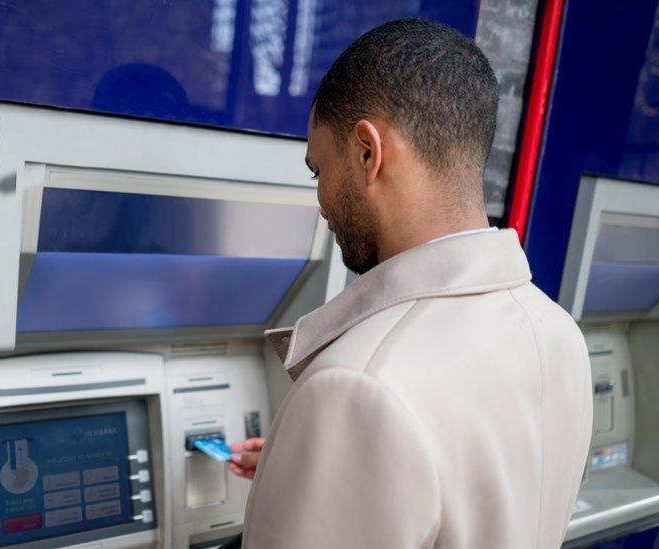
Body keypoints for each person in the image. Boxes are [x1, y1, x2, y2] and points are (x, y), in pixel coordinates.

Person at [227, 18, 592, 548]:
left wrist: (340, 441)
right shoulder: (558, 333)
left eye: (319, 169)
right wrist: (318, 476)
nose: (321, 199)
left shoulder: (358, 387)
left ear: (368, 152)